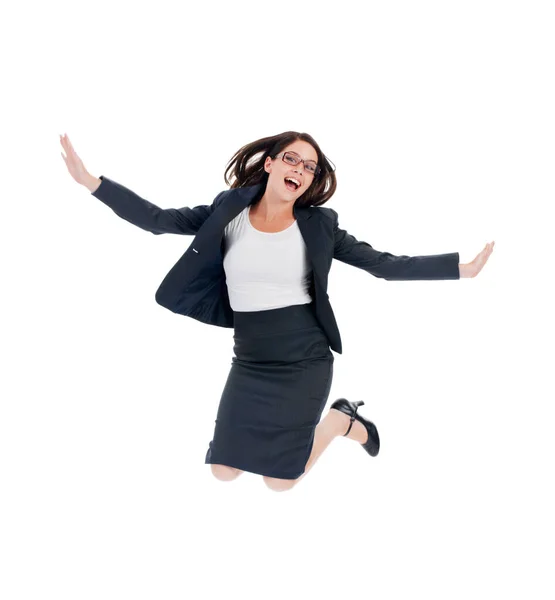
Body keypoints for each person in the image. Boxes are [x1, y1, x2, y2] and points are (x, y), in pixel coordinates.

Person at [60, 131, 495, 492]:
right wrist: (91, 182)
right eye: (293, 160)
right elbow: (157, 219)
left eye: (310, 168)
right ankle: (342, 419)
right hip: (249, 358)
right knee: (223, 470)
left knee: (279, 482)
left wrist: (461, 269)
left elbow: (383, 264)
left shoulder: (319, 225)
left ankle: (341, 422)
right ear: (269, 164)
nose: (301, 171)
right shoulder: (227, 210)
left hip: (304, 357)